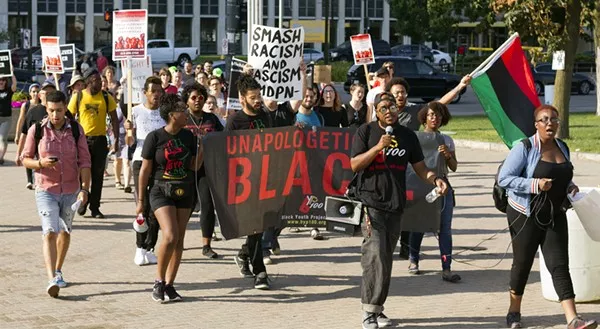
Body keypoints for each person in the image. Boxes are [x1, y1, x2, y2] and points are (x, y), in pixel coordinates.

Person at [350, 92, 448, 329]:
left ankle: (378, 307)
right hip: (370, 203)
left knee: (385, 259)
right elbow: (354, 164)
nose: (389, 111)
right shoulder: (366, 132)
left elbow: (421, 168)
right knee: (374, 257)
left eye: (392, 107)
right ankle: (369, 311)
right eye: (384, 107)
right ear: (376, 111)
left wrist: (435, 179)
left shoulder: (407, 136)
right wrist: (377, 148)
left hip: (395, 204)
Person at [498, 105, 597, 329]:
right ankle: (514, 313)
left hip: (554, 214)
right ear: (536, 125)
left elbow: (562, 175)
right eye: (544, 120)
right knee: (522, 264)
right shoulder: (524, 148)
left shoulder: (563, 147)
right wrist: (535, 184)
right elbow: (505, 178)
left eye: (554, 119)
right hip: (525, 214)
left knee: (559, 264)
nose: (550, 123)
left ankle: (573, 319)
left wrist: (570, 186)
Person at [20, 90, 91, 298]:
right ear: (46, 108)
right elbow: (25, 158)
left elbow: (85, 162)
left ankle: (58, 269)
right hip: (45, 189)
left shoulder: (76, 130)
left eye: (59, 110)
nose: (55, 115)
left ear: (65, 107)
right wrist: (40, 163)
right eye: (51, 111)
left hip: (70, 190)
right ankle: (52, 278)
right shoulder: (38, 130)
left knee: (65, 232)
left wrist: (85, 189)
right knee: (50, 230)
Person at [137, 93, 202, 302]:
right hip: (160, 190)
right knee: (171, 234)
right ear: (173, 115)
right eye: (182, 111)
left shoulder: (188, 137)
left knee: (180, 239)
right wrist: (140, 201)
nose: (186, 114)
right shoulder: (155, 137)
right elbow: (144, 170)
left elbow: (194, 166)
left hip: (184, 190)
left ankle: (170, 284)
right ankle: (158, 281)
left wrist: (202, 149)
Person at [226, 74, 271, 290]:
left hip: (266, 178)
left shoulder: (265, 116)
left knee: (263, 225)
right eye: (253, 97)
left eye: (259, 96)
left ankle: (244, 254)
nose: (258, 100)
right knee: (255, 226)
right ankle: (260, 271)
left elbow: (277, 140)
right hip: (245, 182)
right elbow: (226, 151)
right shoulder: (234, 122)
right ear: (242, 98)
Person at [408, 102, 460, 283]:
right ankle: (413, 259)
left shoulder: (447, 140)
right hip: (422, 187)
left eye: (438, 115)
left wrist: (448, 155)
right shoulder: (416, 138)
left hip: (444, 188)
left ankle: (447, 268)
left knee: (445, 229)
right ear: (424, 118)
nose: (434, 118)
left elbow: (454, 167)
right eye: (430, 115)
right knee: (420, 226)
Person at [68, 69, 119, 219]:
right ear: (89, 81)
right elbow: (69, 117)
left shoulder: (105, 96)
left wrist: (115, 140)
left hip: (100, 140)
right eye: (97, 80)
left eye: (101, 80)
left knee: (98, 176)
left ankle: (95, 207)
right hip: (83, 141)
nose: (100, 83)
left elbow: (114, 118)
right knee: (81, 174)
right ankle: (83, 199)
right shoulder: (78, 96)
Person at [125, 76, 165, 266]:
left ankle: (150, 247)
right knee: (142, 208)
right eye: (153, 91)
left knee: (157, 209)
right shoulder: (134, 112)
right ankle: (139, 248)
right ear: (145, 93)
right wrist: (129, 131)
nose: (157, 95)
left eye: (159, 91)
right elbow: (129, 143)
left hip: (160, 165)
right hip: (141, 163)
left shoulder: (165, 113)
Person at [182, 82, 224, 259]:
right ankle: (178, 240)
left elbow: (224, 138)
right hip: (185, 170)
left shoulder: (211, 119)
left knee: (207, 205)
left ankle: (206, 245)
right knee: (185, 207)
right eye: (193, 98)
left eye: (201, 98)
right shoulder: (181, 119)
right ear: (187, 101)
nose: (197, 101)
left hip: (206, 169)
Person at [15, 81, 57, 173]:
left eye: (51, 93)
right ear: (40, 95)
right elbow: (24, 133)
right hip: (38, 155)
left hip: (58, 155)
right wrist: (18, 153)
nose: (49, 95)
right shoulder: (32, 112)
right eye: (46, 93)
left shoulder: (62, 111)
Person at [15, 83, 40, 189]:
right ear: (30, 93)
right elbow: (21, 120)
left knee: (38, 156)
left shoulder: (43, 104)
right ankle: (30, 180)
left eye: (37, 91)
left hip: (39, 135)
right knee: (28, 155)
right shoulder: (26, 105)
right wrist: (17, 135)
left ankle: (38, 179)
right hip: (28, 135)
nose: (35, 93)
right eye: (33, 91)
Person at [0, 74, 17, 165]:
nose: (1, 82)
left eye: (3, 80)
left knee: (2, 138)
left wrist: (11, 73)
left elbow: (14, 84)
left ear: (6, 81)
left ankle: (1, 157)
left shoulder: (9, 91)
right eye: (0, 80)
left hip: (6, 118)